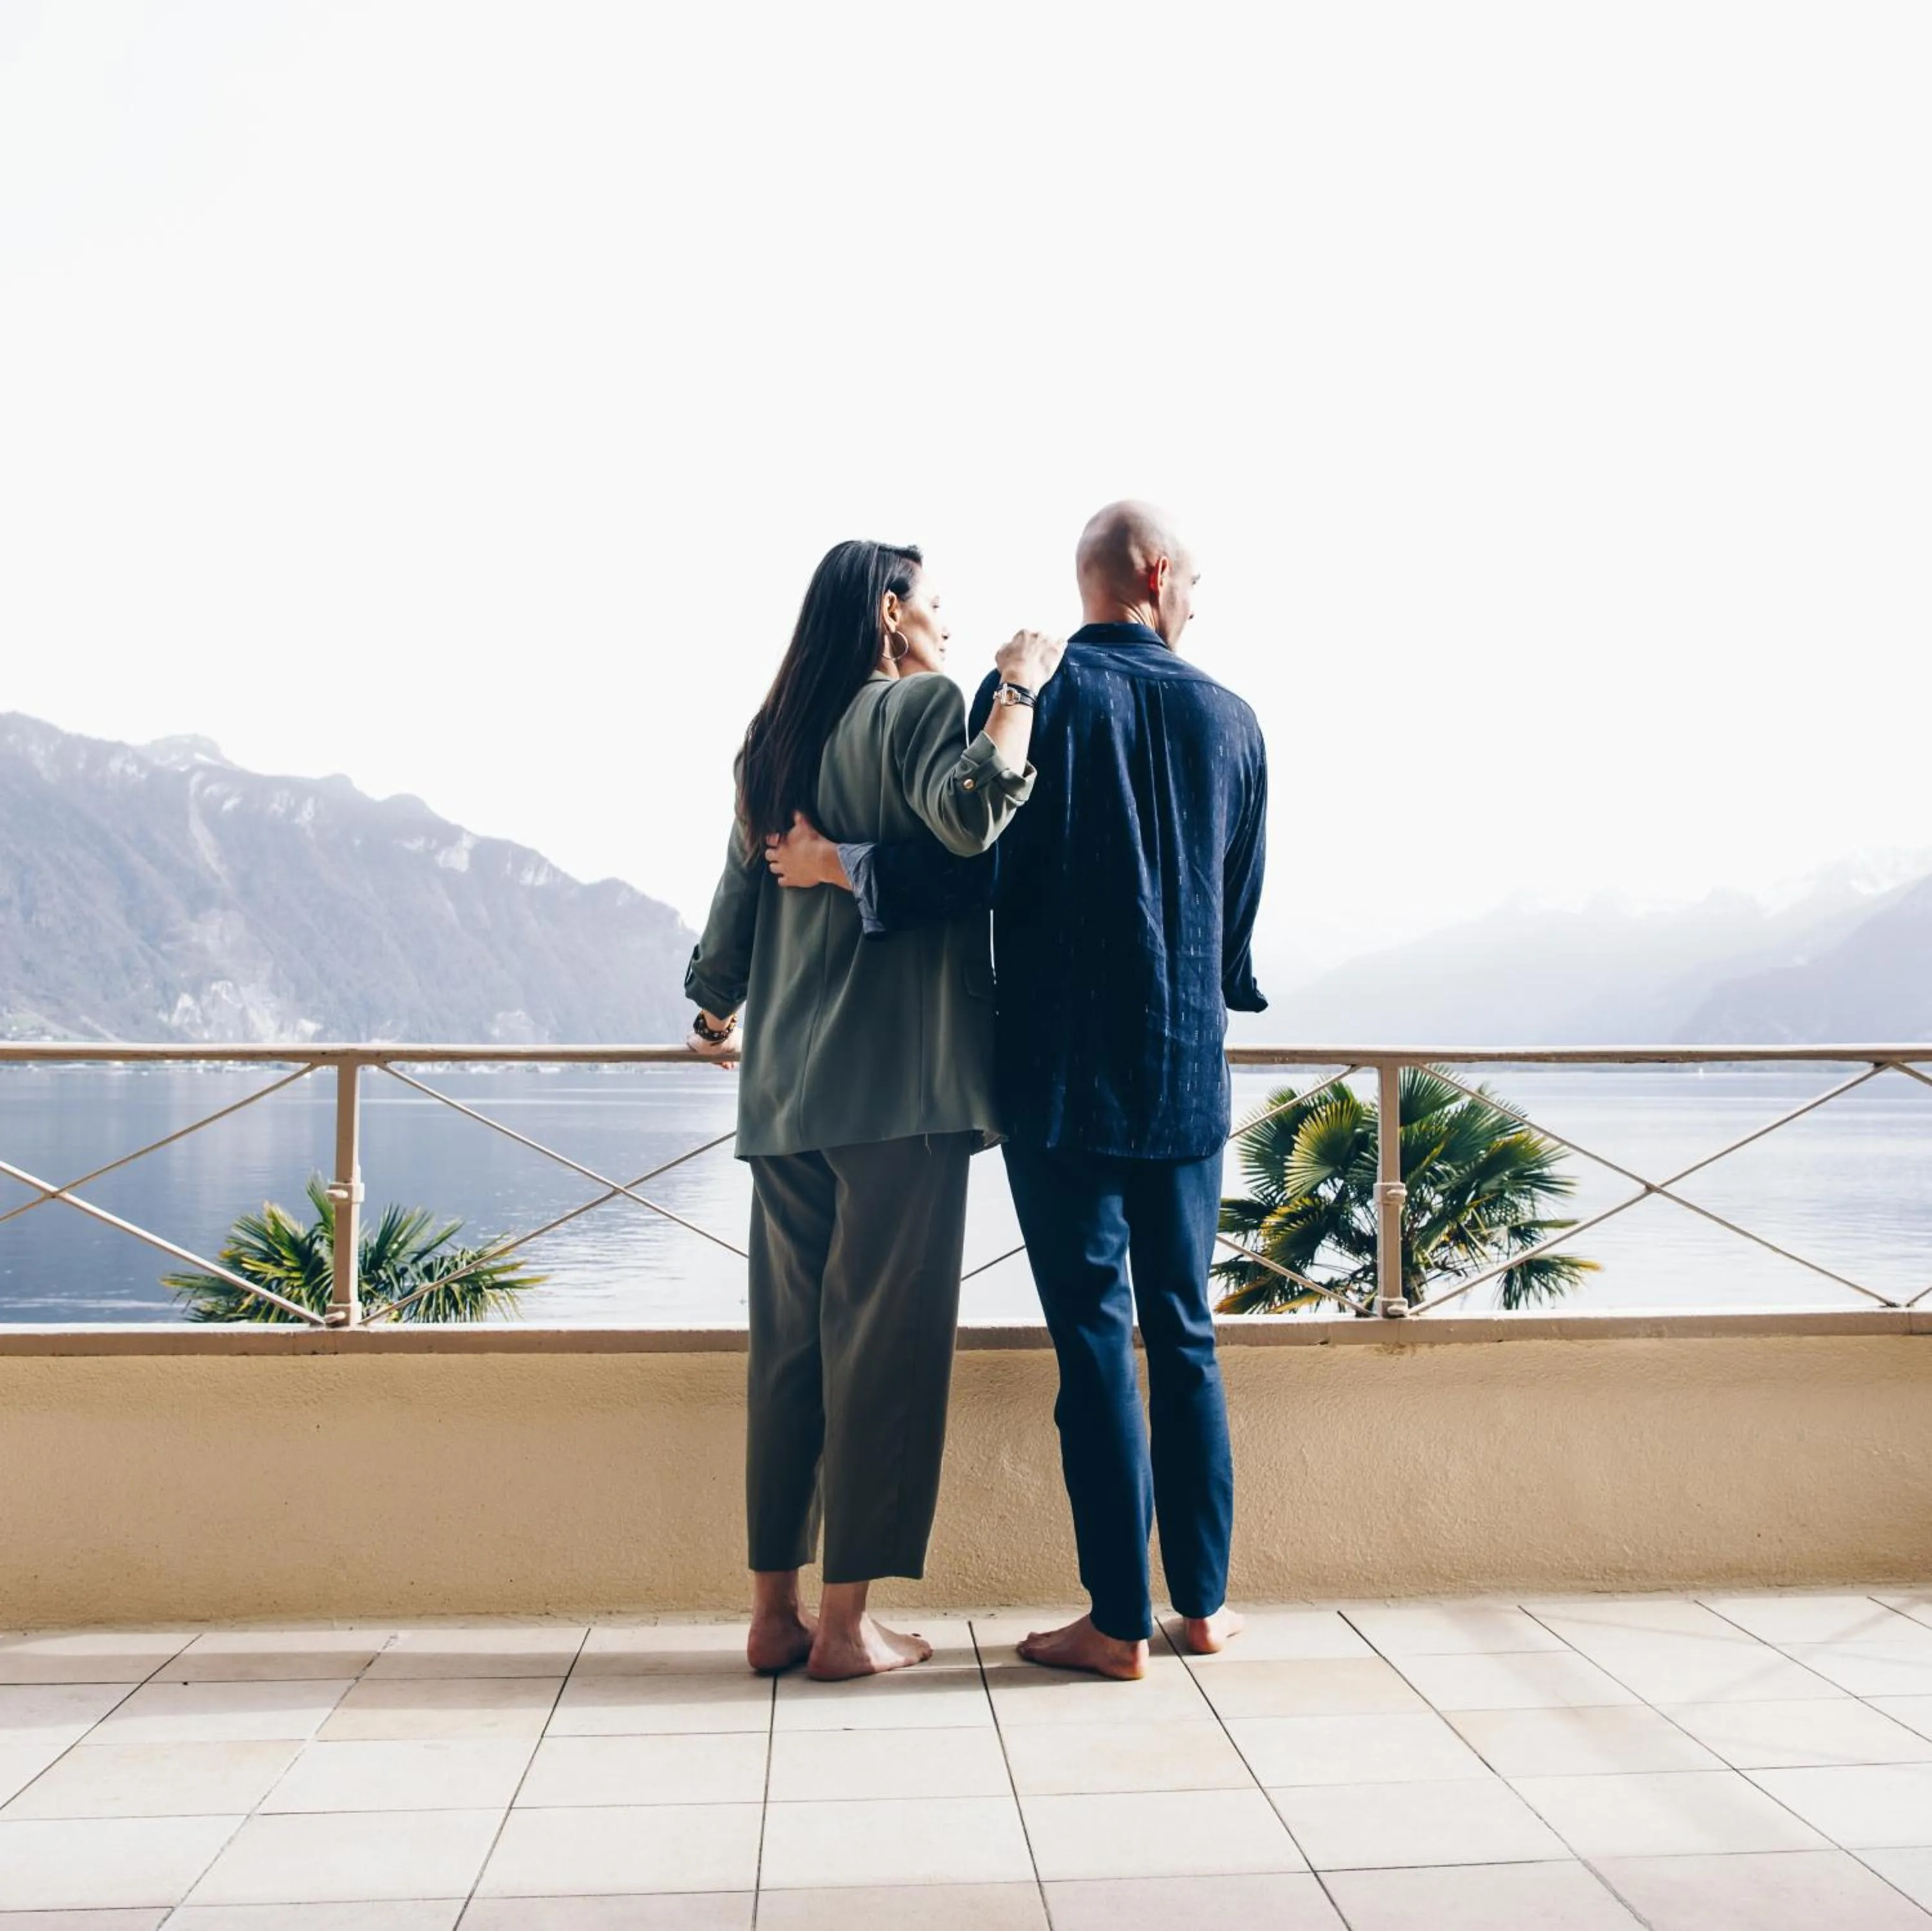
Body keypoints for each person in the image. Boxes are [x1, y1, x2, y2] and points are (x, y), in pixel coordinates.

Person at [766, 502, 1267, 1679]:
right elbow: (1237, 927)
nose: (1197, 597)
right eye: (1192, 578)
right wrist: (1200, 986)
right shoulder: (1236, 723)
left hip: (1054, 1084)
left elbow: (964, 866)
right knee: (1185, 1333)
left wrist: (843, 865)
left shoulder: (1040, 705)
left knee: (1096, 1342)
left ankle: (1116, 1620)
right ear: (1153, 575)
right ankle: (1202, 1601)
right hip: (1186, 1079)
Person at [684, 537, 1063, 1680]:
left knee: (790, 1353)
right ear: (893, 614)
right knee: (883, 1357)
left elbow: (737, 898)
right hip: (897, 1086)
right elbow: (972, 815)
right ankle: (847, 1628)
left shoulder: (775, 741)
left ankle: (772, 1615)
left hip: (786, 1089)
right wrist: (1015, 693)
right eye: (936, 606)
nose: (947, 624)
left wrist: (713, 1013)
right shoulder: (919, 708)